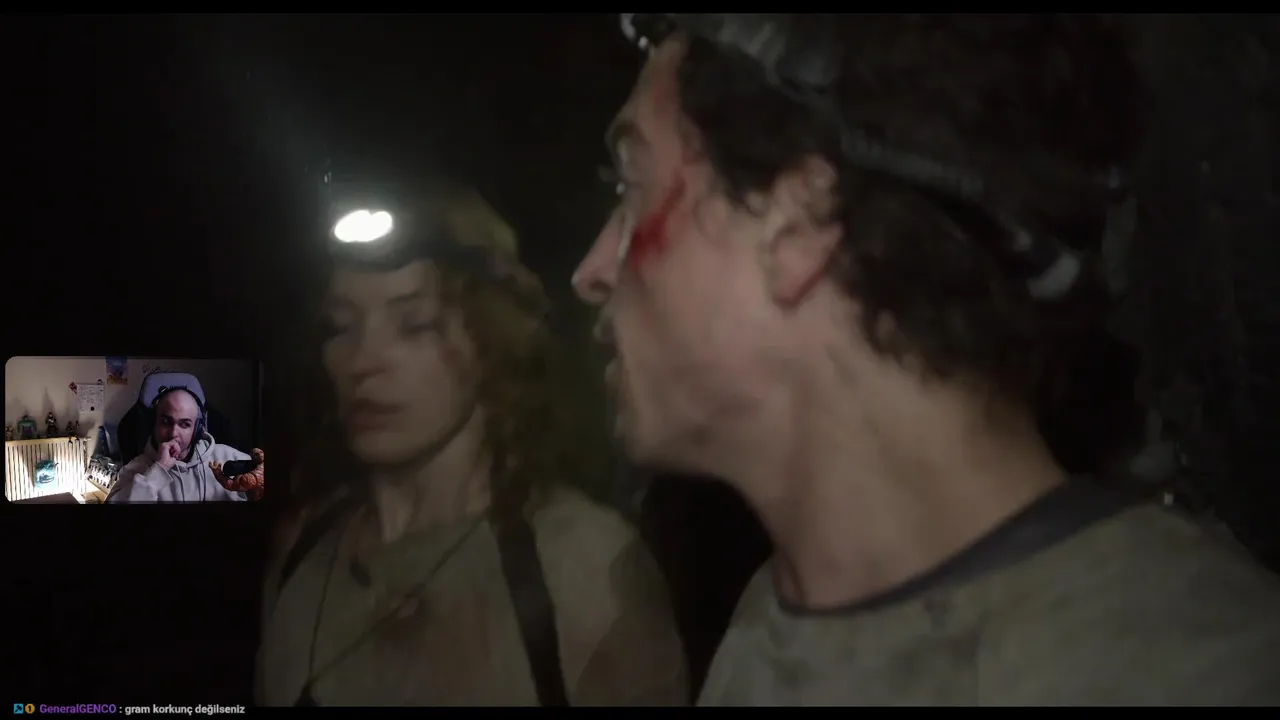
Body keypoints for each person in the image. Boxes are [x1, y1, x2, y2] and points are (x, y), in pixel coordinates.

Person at [571, 14, 1280, 706]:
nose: (591, 271)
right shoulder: (770, 629)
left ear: (798, 224)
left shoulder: (1192, 673)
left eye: (632, 185)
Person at [256, 180, 687, 706]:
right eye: (341, 326)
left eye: (415, 325)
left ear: (490, 339)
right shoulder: (304, 551)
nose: (362, 361)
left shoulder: (584, 566)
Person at [106, 386, 253, 503]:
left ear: (197, 429)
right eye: (165, 422)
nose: (173, 433)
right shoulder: (135, 470)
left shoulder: (229, 458)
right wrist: (157, 472)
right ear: (153, 424)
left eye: (184, 424)